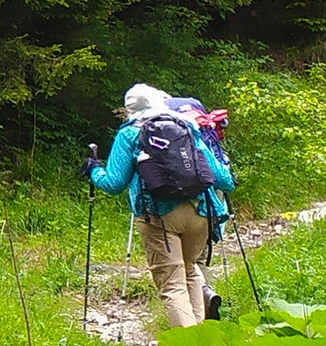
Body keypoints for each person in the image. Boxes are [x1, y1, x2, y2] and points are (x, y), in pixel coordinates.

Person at [89, 83, 235, 330]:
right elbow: (223, 179)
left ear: (129, 110)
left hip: (159, 216)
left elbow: (114, 183)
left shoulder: (129, 134)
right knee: (190, 273)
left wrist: (93, 169)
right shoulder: (186, 127)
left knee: (172, 285)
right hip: (200, 212)